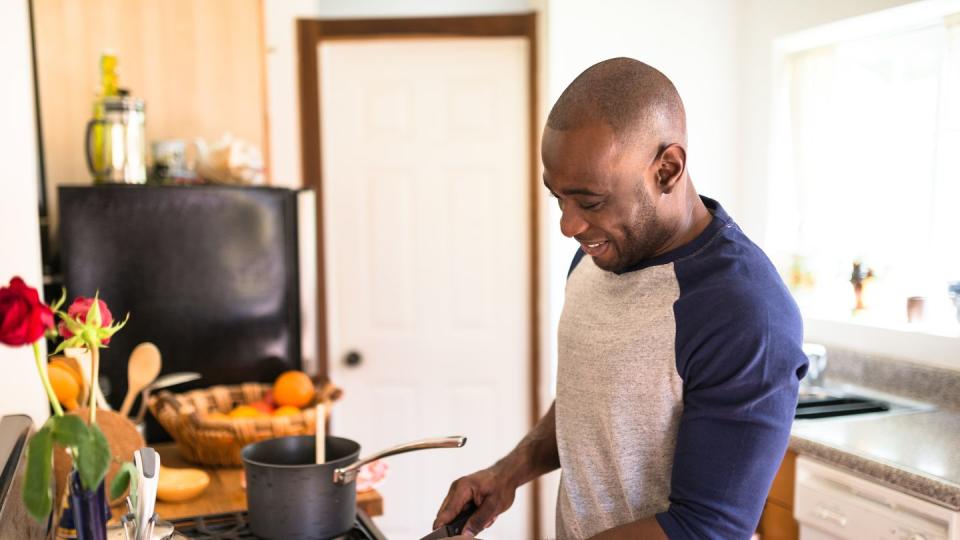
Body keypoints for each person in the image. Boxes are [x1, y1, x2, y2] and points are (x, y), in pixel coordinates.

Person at [432, 57, 808, 539]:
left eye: (589, 202)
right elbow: (594, 404)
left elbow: (707, 528)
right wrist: (508, 474)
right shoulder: (599, 253)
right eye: (558, 198)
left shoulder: (744, 311)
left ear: (667, 169)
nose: (568, 226)